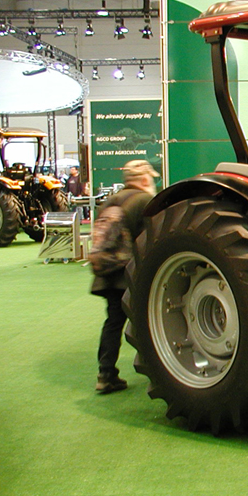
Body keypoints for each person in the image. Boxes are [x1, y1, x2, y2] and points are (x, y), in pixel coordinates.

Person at [90, 159, 159, 394]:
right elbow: (150, 239)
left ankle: (106, 374)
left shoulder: (111, 201)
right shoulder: (144, 200)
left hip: (106, 273)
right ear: (144, 179)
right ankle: (159, 374)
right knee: (147, 323)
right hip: (129, 274)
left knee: (113, 322)